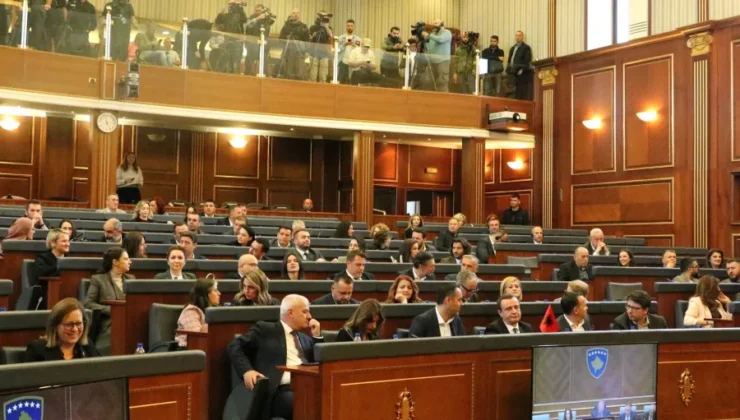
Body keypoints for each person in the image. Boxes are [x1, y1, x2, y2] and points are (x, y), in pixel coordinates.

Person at [227, 294, 322, 420]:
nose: (309, 316)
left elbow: (319, 363)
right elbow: (234, 346)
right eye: (305, 312)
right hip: (280, 391)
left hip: (307, 388)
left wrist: (317, 337)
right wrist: (246, 370)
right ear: (291, 313)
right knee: (306, 404)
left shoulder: (305, 339)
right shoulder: (266, 329)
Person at [85, 247, 133, 354]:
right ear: (115, 262)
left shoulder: (131, 279)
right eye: (126, 259)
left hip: (129, 321)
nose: (130, 262)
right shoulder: (98, 279)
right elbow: (88, 304)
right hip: (108, 323)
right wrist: (111, 310)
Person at [25, 298, 100, 362]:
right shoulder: (37, 350)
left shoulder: (87, 346)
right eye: (69, 324)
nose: (75, 329)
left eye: (78, 323)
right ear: (55, 326)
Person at [175, 277, 221, 347]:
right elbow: (196, 338)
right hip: (188, 350)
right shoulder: (191, 311)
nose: (219, 293)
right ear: (205, 294)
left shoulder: (214, 310)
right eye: (215, 290)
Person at [30, 229, 70, 309]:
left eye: (68, 241)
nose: (67, 244)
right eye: (64, 241)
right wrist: (58, 266)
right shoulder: (42, 258)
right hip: (47, 295)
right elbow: (39, 273)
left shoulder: (70, 260)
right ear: (53, 243)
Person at [276, 8, 310, 80]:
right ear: (291, 15)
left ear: (299, 15)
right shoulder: (286, 26)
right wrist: (286, 38)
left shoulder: (304, 27)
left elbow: (307, 41)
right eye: (294, 13)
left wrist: (306, 51)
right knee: (289, 72)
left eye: (297, 13)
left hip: (299, 53)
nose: (295, 15)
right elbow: (280, 38)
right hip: (288, 52)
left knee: (299, 72)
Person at [243, 3, 275, 76]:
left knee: (264, 60)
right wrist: (257, 19)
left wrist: (268, 13)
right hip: (252, 44)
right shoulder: (251, 17)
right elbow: (247, 25)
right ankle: (248, 74)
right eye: (256, 11)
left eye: (259, 11)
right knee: (250, 60)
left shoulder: (266, 19)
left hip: (263, 44)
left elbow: (273, 20)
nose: (257, 12)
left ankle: (264, 74)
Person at [421, 19, 452, 92]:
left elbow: (441, 39)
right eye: (433, 23)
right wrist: (423, 38)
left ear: (442, 24)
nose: (434, 25)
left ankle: (444, 98)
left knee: (442, 83)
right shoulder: (433, 34)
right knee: (431, 83)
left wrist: (428, 35)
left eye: (436, 23)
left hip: (443, 61)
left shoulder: (447, 32)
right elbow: (428, 47)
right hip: (432, 61)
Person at [307, 11, 333, 83]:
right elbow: (308, 39)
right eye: (322, 16)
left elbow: (331, 36)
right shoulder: (313, 27)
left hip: (324, 53)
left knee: (323, 75)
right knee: (313, 74)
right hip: (314, 52)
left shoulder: (328, 28)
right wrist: (313, 36)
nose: (323, 18)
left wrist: (326, 26)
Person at [507, 30, 533, 100]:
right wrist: (508, 70)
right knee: (511, 93)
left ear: (522, 37)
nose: (518, 37)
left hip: (521, 73)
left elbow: (527, 61)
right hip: (512, 72)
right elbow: (509, 60)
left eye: (519, 35)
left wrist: (522, 70)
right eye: (516, 35)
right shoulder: (512, 48)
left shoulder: (526, 48)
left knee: (520, 92)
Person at [337, 19, 361, 84]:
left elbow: (359, 51)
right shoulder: (340, 38)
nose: (350, 27)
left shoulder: (357, 39)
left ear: (354, 27)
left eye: (351, 26)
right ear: (346, 26)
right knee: (341, 81)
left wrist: (354, 45)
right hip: (343, 61)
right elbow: (337, 50)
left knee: (353, 82)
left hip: (353, 62)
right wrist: (344, 45)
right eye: (348, 26)